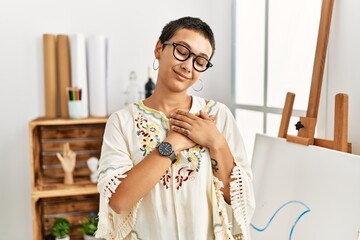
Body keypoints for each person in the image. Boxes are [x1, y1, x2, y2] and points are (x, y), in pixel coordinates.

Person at [95, 16, 255, 240]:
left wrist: (216, 142)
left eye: (200, 61)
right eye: (182, 50)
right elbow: (120, 202)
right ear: (159, 48)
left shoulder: (218, 116)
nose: (188, 66)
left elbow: (238, 200)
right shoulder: (122, 121)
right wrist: (172, 144)